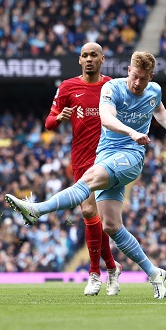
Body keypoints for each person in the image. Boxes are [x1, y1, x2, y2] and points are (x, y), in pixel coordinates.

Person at [6, 51, 166, 300]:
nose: (137, 83)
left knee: (88, 181)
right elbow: (106, 118)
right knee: (111, 225)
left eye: (143, 79)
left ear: (150, 77)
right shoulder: (112, 88)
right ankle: (153, 272)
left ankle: (37, 210)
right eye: (134, 76)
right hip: (106, 154)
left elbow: (158, 109)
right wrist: (132, 131)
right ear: (128, 70)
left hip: (131, 157)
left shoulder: (154, 90)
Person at [44, 42, 120, 296]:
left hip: (108, 158)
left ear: (102, 59)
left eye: (93, 55)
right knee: (89, 213)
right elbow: (49, 122)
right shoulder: (67, 87)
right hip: (81, 158)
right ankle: (107, 268)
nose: (89, 59)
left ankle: (95, 273)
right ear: (79, 60)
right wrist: (59, 118)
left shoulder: (112, 86)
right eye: (85, 55)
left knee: (104, 220)